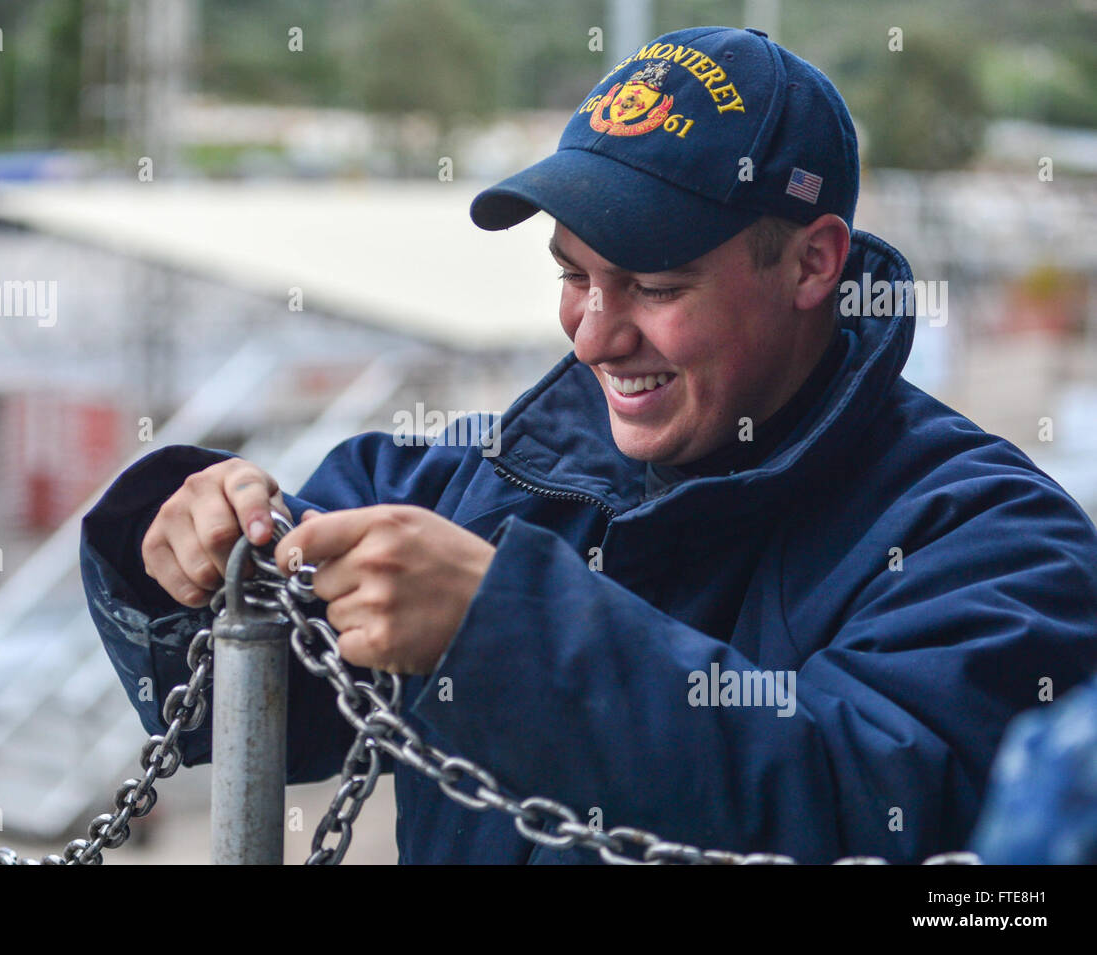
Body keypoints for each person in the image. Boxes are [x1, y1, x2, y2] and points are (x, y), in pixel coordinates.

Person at [80, 26, 1097, 863]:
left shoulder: (995, 541)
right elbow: (258, 710)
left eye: (655, 286)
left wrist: (502, 633)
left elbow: (875, 806)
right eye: (572, 273)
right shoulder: (474, 481)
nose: (595, 333)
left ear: (812, 263)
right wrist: (175, 534)